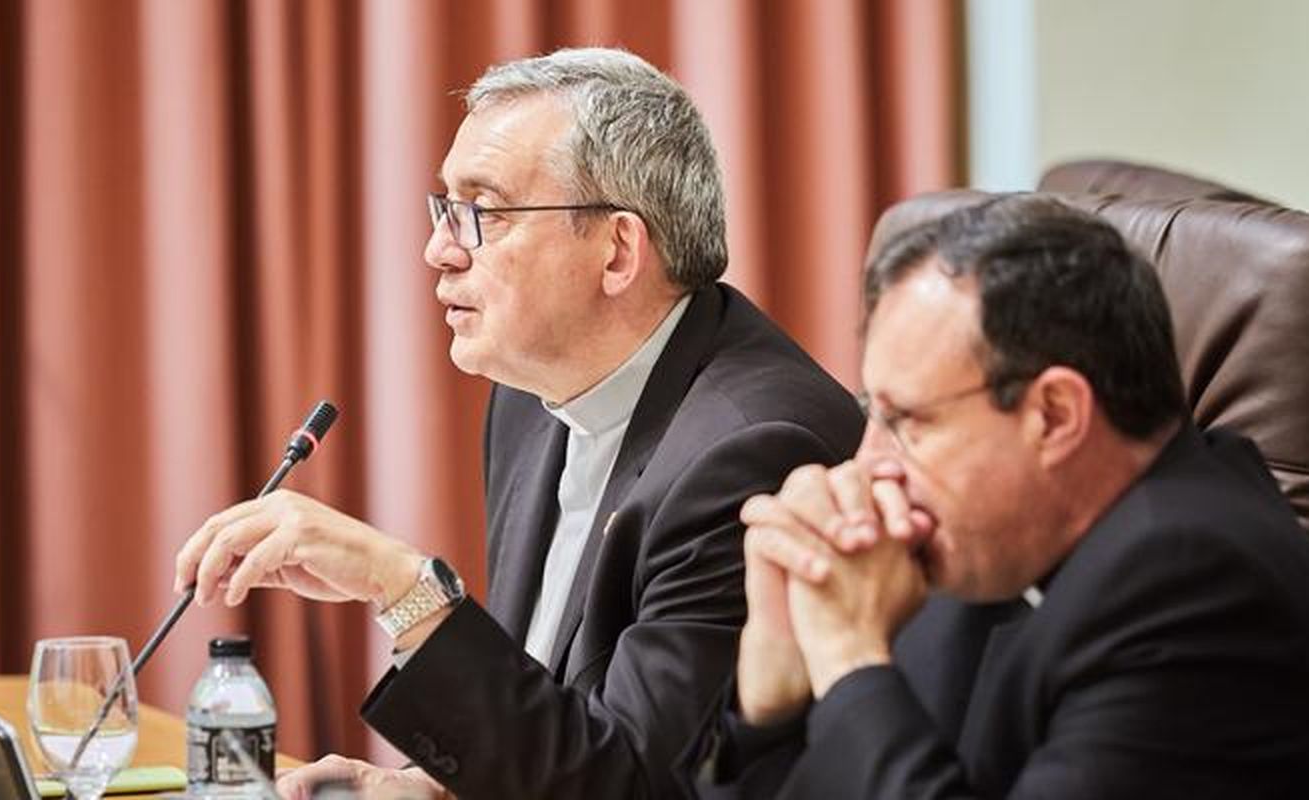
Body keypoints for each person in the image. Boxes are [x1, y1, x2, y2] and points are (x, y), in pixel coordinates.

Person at [172, 47, 863, 800]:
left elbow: (635, 787)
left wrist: (403, 585)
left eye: (482, 212)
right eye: (445, 209)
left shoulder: (752, 448)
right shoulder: (529, 405)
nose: (438, 250)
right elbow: (562, 728)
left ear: (618, 250)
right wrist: (429, 789)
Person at [688, 195, 1309, 798]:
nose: (870, 463)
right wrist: (772, 699)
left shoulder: (1194, 584)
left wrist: (852, 660)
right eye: (871, 414)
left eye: (908, 422)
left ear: (1055, 414)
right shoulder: (992, 540)